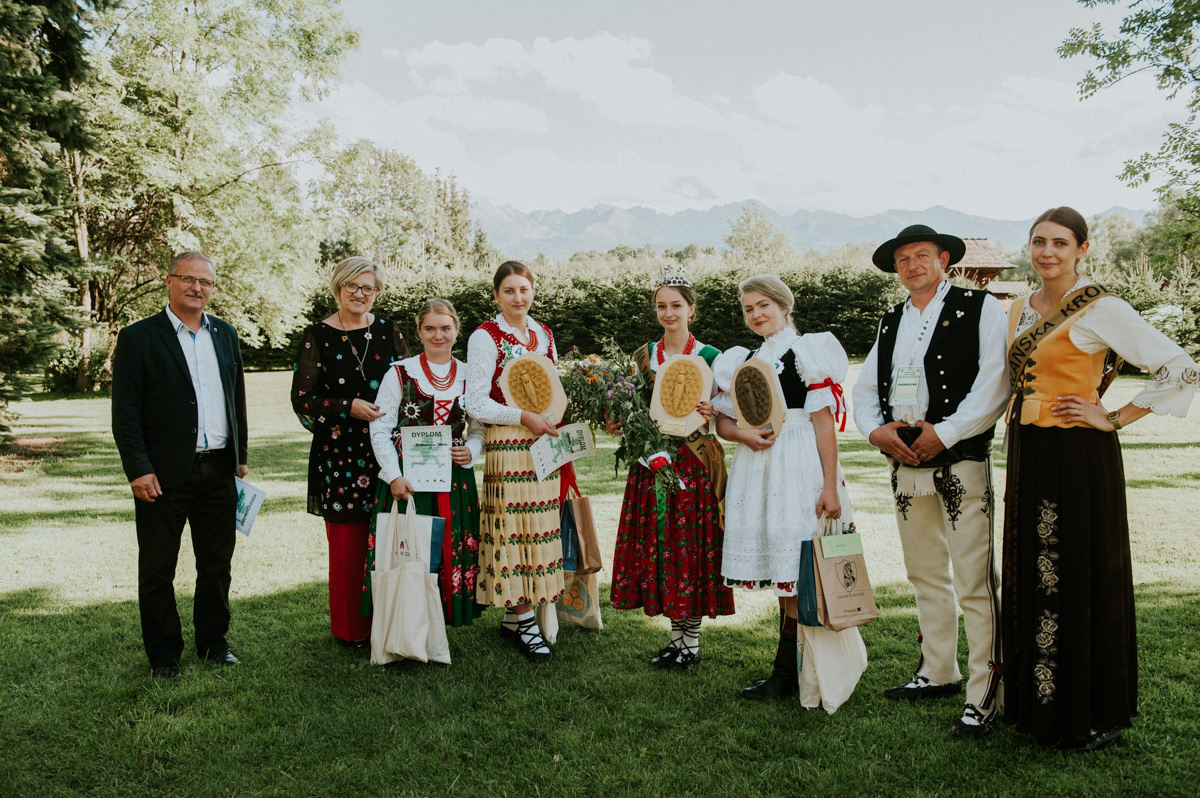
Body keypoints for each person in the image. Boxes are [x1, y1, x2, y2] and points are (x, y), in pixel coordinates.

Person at [1002, 207, 1199, 752]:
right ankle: (1039, 706)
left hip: (1077, 454)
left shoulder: (1100, 306)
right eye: (1038, 241)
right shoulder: (1019, 307)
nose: (1047, 252)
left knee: (1075, 571)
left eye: (1060, 243)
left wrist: (1113, 417)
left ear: (1082, 249)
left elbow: (1181, 367)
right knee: (1034, 570)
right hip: (1029, 449)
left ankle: (1083, 712)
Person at [851, 224, 1008, 738]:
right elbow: (865, 388)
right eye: (903, 259)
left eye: (922, 255)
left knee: (975, 581)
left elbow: (995, 383)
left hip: (960, 458)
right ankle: (938, 669)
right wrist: (875, 431)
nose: (912, 265)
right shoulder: (891, 319)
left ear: (944, 259)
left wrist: (946, 433)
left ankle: (986, 692)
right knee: (924, 572)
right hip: (904, 462)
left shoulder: (979, 307)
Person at [711, 275, 862, 707]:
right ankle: (790, 668)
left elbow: (823, 423)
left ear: (783, 306)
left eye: (764, 305)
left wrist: (830, 486)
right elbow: (724, 422)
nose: (756, 314)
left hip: (798, 464)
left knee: (801, 567)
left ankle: (791, 672)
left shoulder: (807, 352)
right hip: (760, 466)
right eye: (748, 309)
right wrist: (744, 435)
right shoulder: (743, 360)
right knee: (785, 571)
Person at [111, 251, 248, 678]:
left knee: (216, 565)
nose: (196, 287)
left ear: (212, 288)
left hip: (219, 470)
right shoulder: (138, 338)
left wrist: (240, 456)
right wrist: (138, 468)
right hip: (162, 473)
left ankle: (213, 642)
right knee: (157, 569)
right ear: (169, 281)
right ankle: (164, 653)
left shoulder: (224, 334)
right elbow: (125, 411)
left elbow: (236, 398)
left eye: (205, 281)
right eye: (188, 279)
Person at [607, 267, 734, 671]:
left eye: (676, 305)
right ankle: (676, 640)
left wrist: (715, 409)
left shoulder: (713, 357)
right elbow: (628, 407)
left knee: (689, 548)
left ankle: (690, 643)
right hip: (651, 462)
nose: (668, 313)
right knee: (662, 547)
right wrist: (617, 420)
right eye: (661, 306)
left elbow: (733, 411)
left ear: (691, 309)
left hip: (694, 462)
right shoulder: (643, 356)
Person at [291, 257, 406, 646]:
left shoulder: (389, 331)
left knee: (391, 535)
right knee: (347, 543)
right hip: (340, 454)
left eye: (368, 288)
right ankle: (350, 630)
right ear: (338, 288)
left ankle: (392, 621)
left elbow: (410, 384)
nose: (359, 294)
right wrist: (348, 407)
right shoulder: (317, 336)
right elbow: (303, 399)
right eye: (352, 286)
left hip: (388, 450)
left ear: (377, 292)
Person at [464, 261, 564, 663]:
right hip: (508, 444)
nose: (517, 297)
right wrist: (523, 416)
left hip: (543, 443)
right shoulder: (484, 336)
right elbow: (475, 402)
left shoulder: (544, 333)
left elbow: (553, 388)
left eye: (523, 289)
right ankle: (525, 621)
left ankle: (513, 616)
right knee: (512, 532)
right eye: (509, 291)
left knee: (538, 531)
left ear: (532, 291)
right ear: (496, 296)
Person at [366, 298, 487, 627]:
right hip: (408, 478)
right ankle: (405, 622)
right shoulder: (399, 372)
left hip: (453, 479)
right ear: (418, 332)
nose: (438, 335)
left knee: (448, 545)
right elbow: (380, 429)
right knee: (408, 546)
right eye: (430, 328)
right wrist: (393, 476)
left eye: (445, 328)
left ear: (456, 331)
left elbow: (479, 429)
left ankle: (440, 620)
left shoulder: (471, 375)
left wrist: (472, 451)